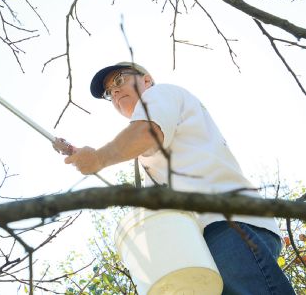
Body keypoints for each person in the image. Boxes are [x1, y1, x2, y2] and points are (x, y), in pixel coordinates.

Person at [56, 61, 295, 295]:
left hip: (225, 224)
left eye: (119, 80)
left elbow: (146, 133)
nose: (115, 90)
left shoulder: (159, 94)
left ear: (146, 80)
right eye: (109, 92)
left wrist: (98, 158)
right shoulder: (152, 153)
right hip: (205, 240)